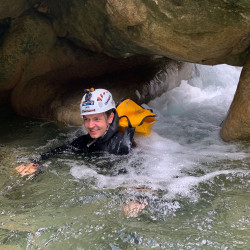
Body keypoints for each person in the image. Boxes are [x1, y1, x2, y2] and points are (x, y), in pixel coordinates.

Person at [16, 88, 135, 178]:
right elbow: (63, 150)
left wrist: (138, 198)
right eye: (86, 119)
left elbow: (137, 173)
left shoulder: (123, 144)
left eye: (96, 119)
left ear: (110, 117)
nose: (90, 125)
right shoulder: (87, 140)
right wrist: (35, 163)